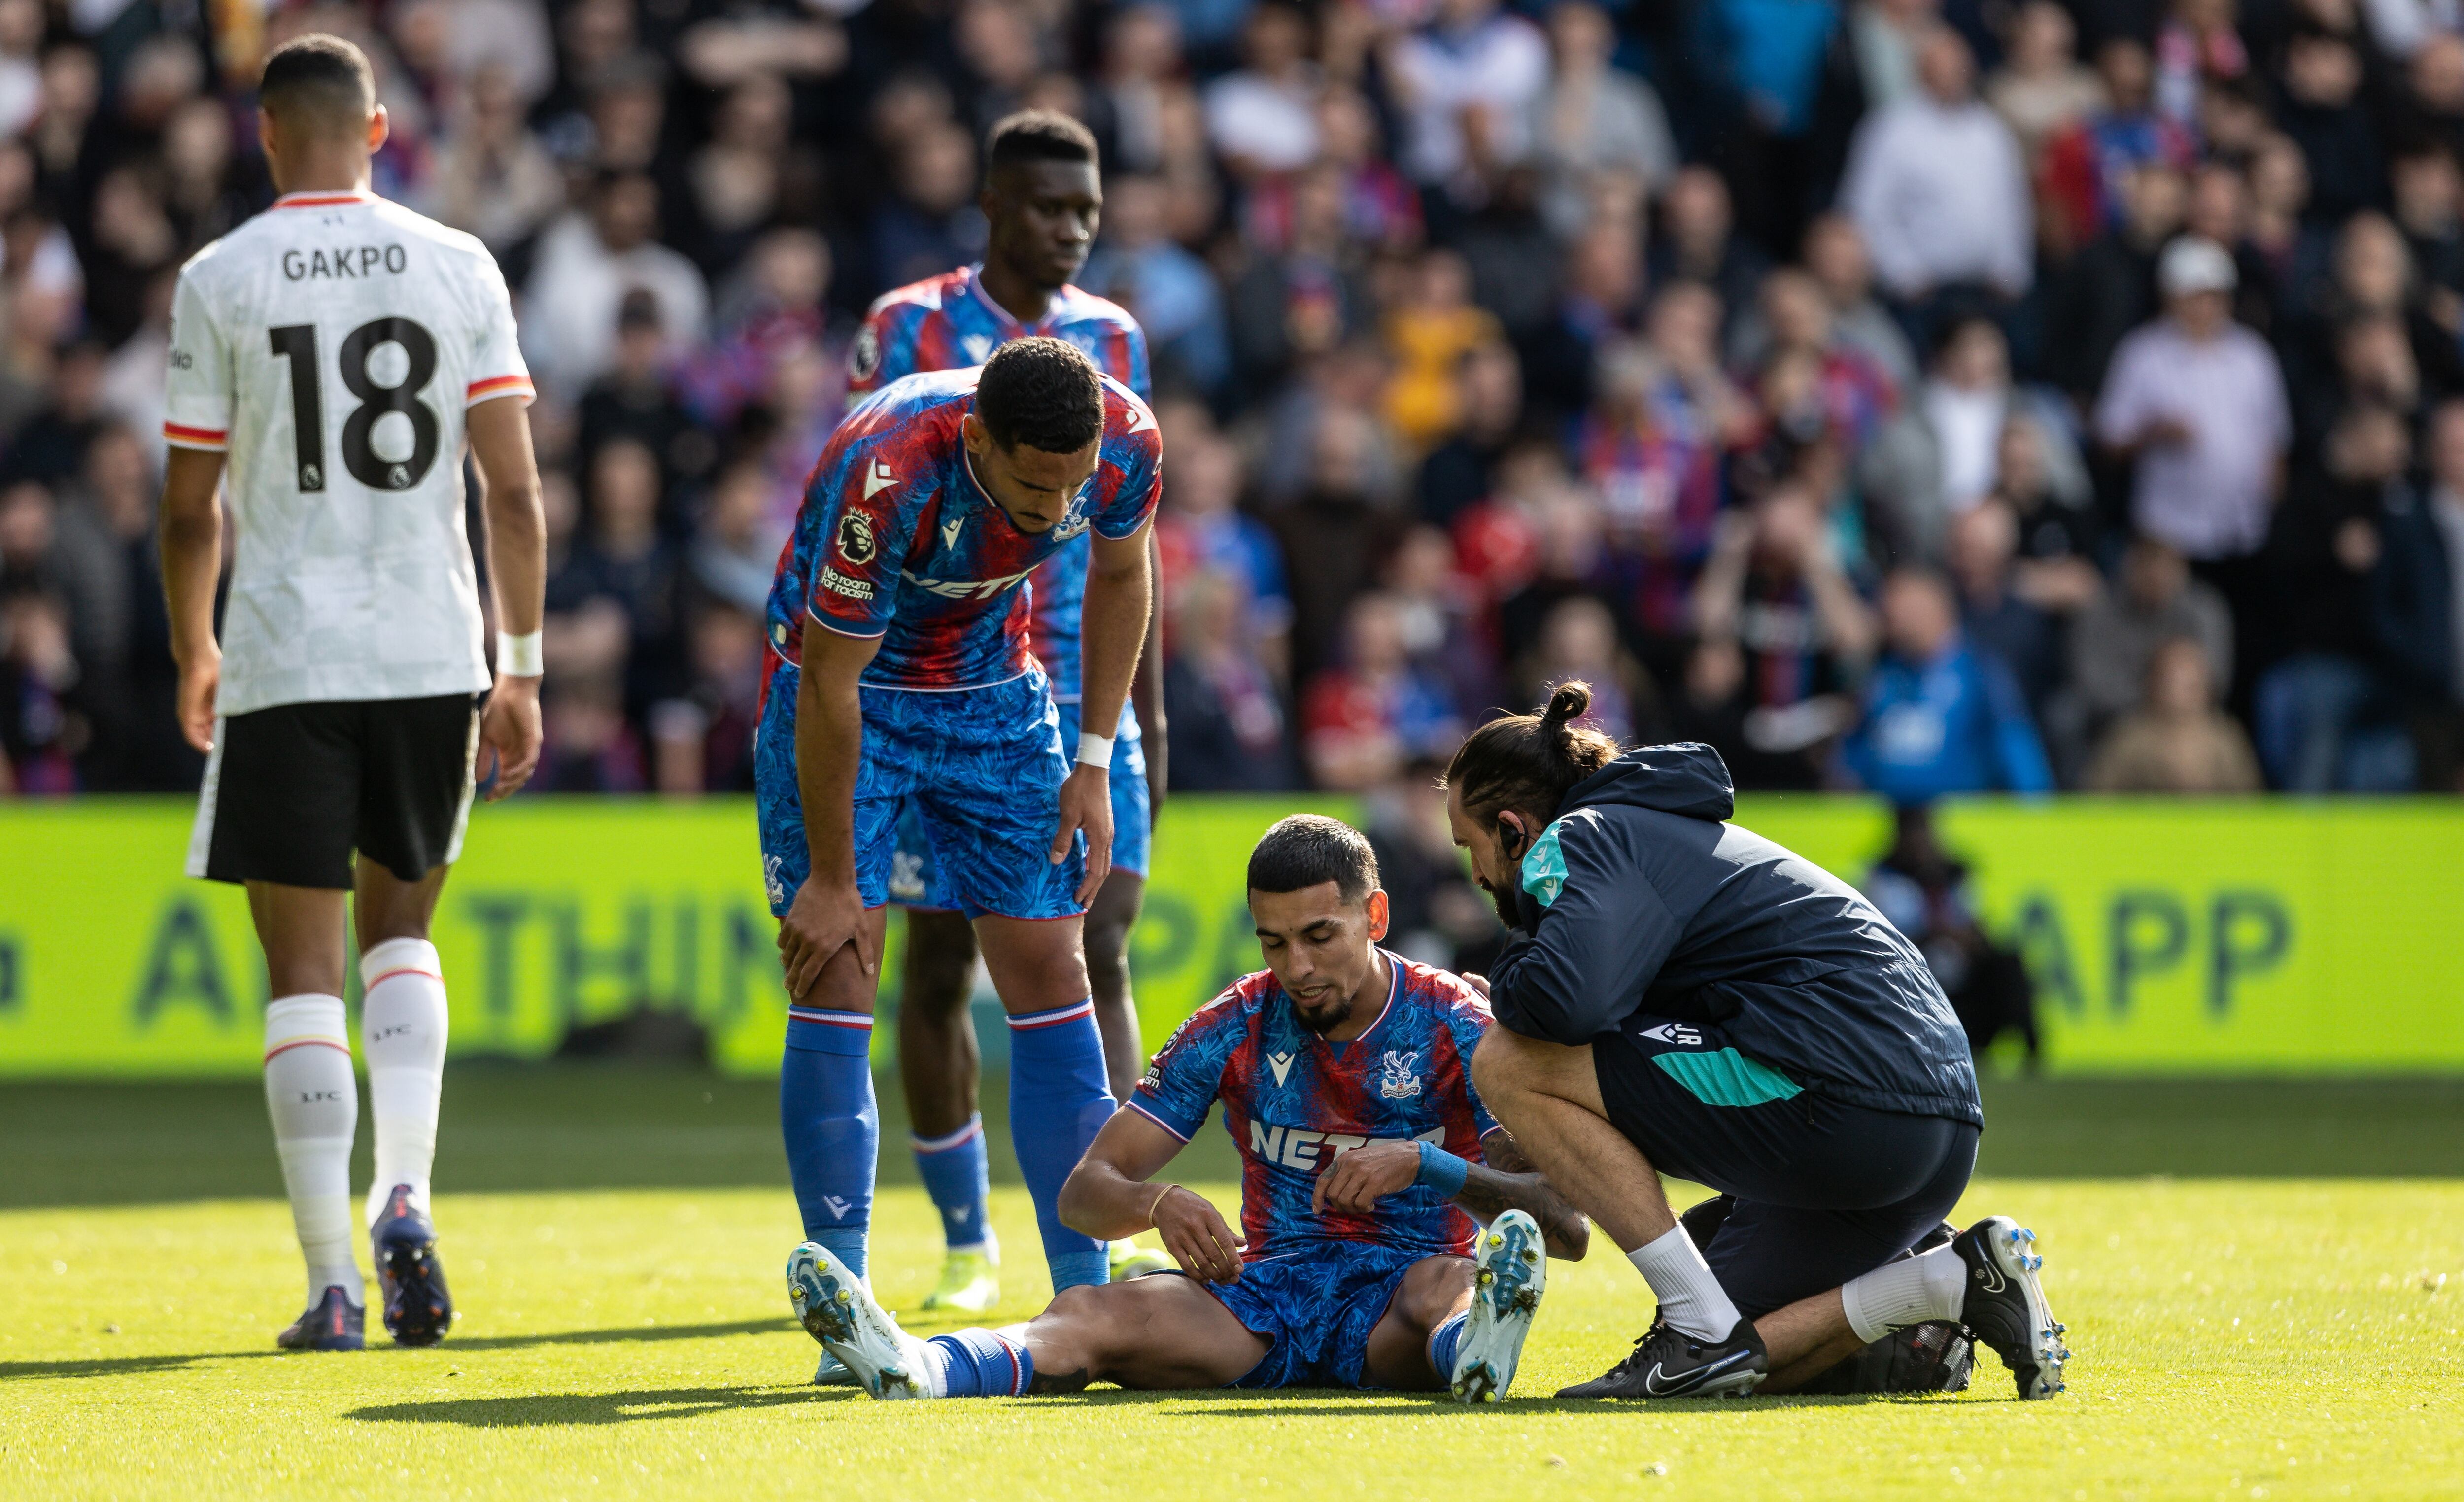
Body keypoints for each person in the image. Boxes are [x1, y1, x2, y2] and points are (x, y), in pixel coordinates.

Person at [156, 35, 546, 1351]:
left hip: (285, 650)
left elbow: (186, 504)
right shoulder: (459, 264)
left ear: (268, 132)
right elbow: (515, 488)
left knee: (304, 973)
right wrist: (524, 663)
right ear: (381, 130)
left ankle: (331, 1284)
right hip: (434, 648)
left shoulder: (221, 277)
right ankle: (409, 1193)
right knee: (402, 942)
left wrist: (192, 647)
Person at [791, 815, 1587, 1402]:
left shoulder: (1458, 1021)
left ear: (1373, 919)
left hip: (1400, 1302)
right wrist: (1156, 1202)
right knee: (1090, 1309)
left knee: (1450, 1283)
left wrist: (1427, 1164)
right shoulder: (1234, 1023)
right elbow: (1085, 1192)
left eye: (1319, 936)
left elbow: (1565, 1225)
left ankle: (1474, 1347)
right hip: (1263, 1300)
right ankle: (921, 1367)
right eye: (1273, 943)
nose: (1297, 968)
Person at [1446, 684, 2068, 1400]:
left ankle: (1696, 1327)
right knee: (1737, 1350)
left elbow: (1566, 1003)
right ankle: (1950, 1279)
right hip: (1937, 1130)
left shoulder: (1582, 836)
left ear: (1515, 829)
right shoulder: (1655, 836)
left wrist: (1516, 967)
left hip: (1843, 1099)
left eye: (1473, 846)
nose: (1476, 875)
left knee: (1508, 1060)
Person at [760, 337, 1157, 1381]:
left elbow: (1122, 572)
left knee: (1051, 970)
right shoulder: (886, 472)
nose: (1051, 510)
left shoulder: (1125, 445)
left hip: (993, 695)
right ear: (979, 438)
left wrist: (1095, 758)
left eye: (1069, 486)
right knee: (838, 965)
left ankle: (1089, 1285)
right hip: (849, 692)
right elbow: (831, 683)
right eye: (1033, 485)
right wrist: (837, 880)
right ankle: (841, 1305)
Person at [841, 110, 1168, 1316]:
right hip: (943, 677)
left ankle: (1115, 1222)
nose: (1071, 229)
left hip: (1086, 679)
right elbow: (866, 488)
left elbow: (1140, 536)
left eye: (1086, 209)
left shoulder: (1115, 337)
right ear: (990, 202)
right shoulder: (906, 327)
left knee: (1100, 940)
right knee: (936, 959)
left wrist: (1148, 718)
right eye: (1046, 207)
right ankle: (967, 1237)